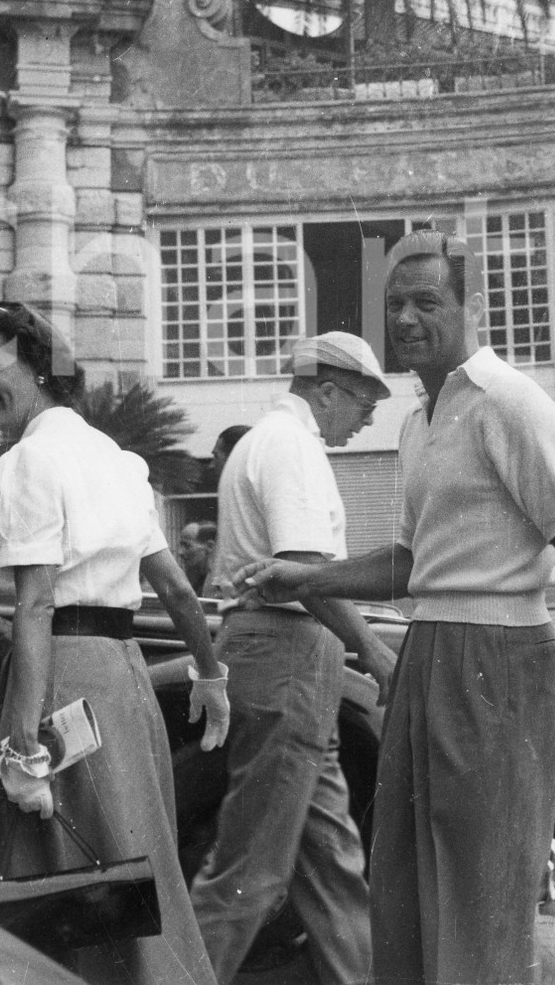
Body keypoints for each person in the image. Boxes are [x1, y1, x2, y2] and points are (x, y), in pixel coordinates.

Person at [237, 232, 555, 985]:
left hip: (499, 660)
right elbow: (408, 563)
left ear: (474, 307)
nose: (404, 318)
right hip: (429, 652)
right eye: (394, 303)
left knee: (481, 892)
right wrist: (304, 580)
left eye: (426, 301)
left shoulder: (515, 404)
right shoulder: (420, 420)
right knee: (404, 885)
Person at [0, 301, 229, 985]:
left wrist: (22, 748)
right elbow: (175, 588)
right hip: (122, 680)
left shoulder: (28, 461)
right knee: (133, 867)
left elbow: (36, 602)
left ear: (40, 367)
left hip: (60, 679)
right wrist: (210, 673)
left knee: (36, 874)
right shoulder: (118, 461)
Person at [190, 331, 397, 985]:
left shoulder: (267, 443)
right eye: (362, 404)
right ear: (327, 390)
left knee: (332, 859)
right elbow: (307, 572)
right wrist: (374, 649)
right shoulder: (292, 448)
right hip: (285, 657)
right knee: (250, 871)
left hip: (284, 660)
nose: (366, 421)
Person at [179, 519, 218, 595]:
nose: (180, 552)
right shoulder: (194, 577)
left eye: (187, 545)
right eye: (181, 545)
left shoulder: (219, 582)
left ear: (210, 546)